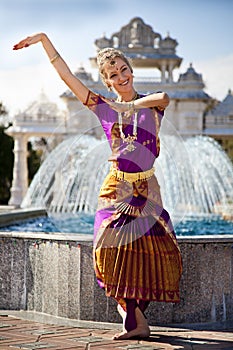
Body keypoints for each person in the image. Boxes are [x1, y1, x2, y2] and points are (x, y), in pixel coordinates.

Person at [13, 33, 182, 340]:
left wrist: (125, 109)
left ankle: (137, 320)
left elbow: (164, 97)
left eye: (123, 70)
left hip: (148, 187)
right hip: (115, 188)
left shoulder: (153, 104)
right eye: (113, 75)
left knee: (150, 250)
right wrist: (44, 40)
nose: (121, 77)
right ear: (107, 81)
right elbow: (66, 75)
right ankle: (134, 318)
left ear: (131, 69)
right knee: (105, 250)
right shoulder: (102, 107)